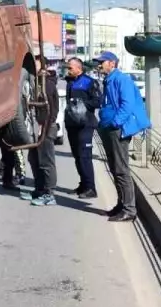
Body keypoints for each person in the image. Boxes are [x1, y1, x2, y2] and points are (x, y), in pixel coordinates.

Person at [95, 50, 150, 222]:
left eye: (102, 62)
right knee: (114, 168)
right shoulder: (109, 80)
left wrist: (115, 123)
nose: (99, 64)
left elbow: (127, 104)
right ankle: (121, 205)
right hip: (109, 128)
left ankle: (129, 209)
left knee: (121, 169)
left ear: (112, 63)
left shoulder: (121, 79)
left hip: (118, 129)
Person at [63, 57, 102, 199]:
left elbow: (98, 101)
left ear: (79, 68)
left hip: (86, 124)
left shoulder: (89, 82)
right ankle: (83, 185)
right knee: (77, 156)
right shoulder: (70, 81)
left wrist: (82, 104)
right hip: (72, 124)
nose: (68, 70)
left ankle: (91, 188)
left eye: (71, 68)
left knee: (85, 156)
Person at [23, 56, 59, 206]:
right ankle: (39, 189)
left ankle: (49, 193)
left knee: (46, 161)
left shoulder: (47, 85)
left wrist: (43, 128)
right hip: (35, 127)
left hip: (45, 127)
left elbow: (51, 111)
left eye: (35, 64)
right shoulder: (35, 83)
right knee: (34, 159)